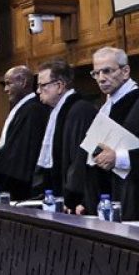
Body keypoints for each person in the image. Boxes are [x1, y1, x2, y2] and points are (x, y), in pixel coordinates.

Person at [69, 47, 139, 221]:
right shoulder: (105, 107)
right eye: (96, 73)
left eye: (107, 71)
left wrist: (118, 158)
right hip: (104, 201)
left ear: (125, 71)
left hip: (134, 199)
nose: (101, 78)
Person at [33, 59, 97, 207]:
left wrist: (73, 198)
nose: (38, 91)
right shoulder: (55, 112)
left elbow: (79, 160)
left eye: (42, 85)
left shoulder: (80, 111)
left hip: (77, 202)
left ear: (60, 86)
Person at [0, 65, 50, 200]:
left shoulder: (33, 110)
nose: (5, 89)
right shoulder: (22, 108)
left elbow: (21, 154)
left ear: (23, 82)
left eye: (8, 84)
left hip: (21, 188)